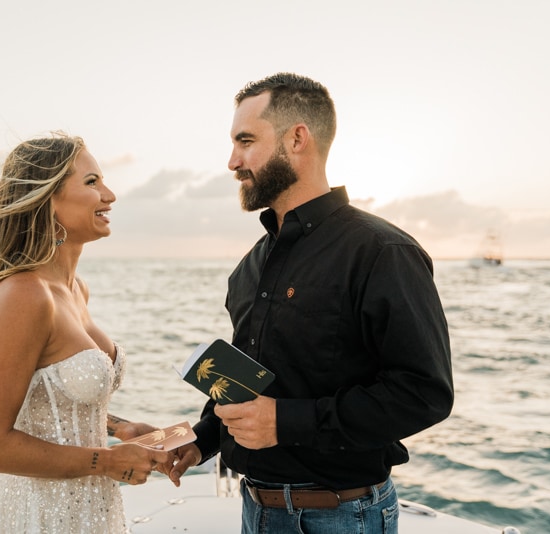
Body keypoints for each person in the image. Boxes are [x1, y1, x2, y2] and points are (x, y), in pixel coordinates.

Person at [167, 73, 454, 533]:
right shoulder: (249, 267)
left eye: (245, 141)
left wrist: (286, 421)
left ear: (297, 138)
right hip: (254, 510)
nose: (231, 161)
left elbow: (425, 394)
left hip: (341, 516)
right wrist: (200, 441)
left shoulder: (382, 252)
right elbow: (256, 381)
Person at [0, 131, 169, 533]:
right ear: (47, 200)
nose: (110, 194)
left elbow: (49, 395)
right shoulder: (24, 294)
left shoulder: (76, 290)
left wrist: (119, 428)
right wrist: (108, 461)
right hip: (38, 517)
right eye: (91, 182)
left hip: (93, 512)